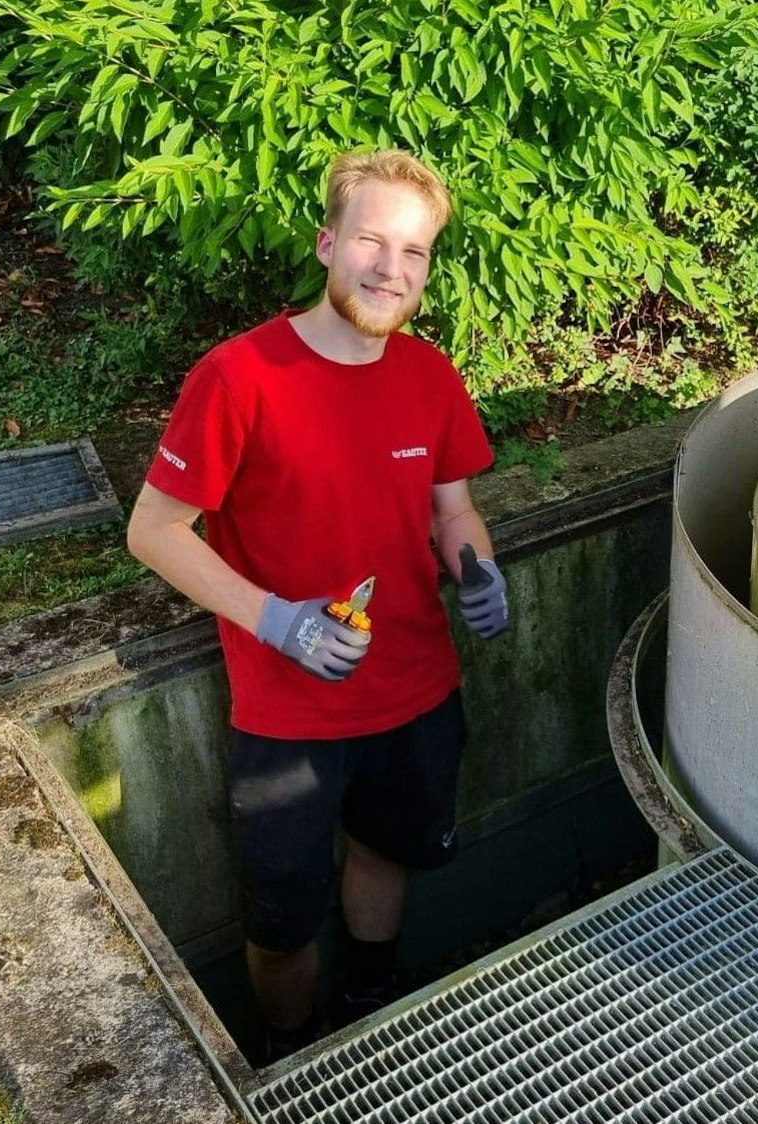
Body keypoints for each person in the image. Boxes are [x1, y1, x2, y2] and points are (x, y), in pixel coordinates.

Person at [125, 149, 508, 1062]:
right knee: (283, 920)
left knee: (387, 854)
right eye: (372, 241)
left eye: (414, 252)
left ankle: (370, 1008)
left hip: (416, 688)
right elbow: (154, 530)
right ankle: (291, 1050)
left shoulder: (427, 375)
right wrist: (277, 621)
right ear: (327, 243)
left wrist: (477, 569)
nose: (391, 269)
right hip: (288, 716)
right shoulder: (239, 376)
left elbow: (451, 509)